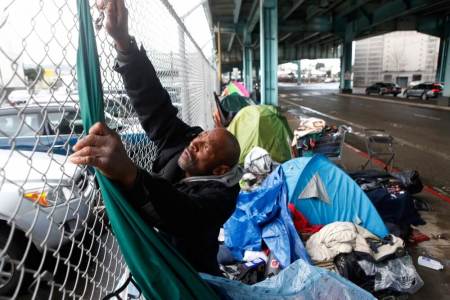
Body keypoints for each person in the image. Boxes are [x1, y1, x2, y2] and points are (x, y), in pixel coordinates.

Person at [70, 0, 242, 275]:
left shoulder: (223, 196)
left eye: (205, 146)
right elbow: (156, 108)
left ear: (219, 170)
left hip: (191, 275)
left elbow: (183, 213)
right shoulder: (187, 142)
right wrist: (124, 45)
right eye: (202, 135)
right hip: (156, 260)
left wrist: (129, 172)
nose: (195, 142)